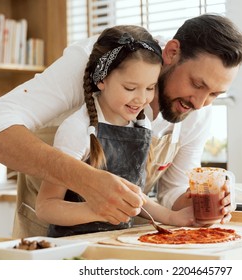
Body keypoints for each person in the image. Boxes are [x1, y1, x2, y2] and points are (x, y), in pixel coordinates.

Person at [0, 13, 242, 237]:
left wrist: (194, 204)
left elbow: (170, 192)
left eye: (214, 94)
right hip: (49, 243)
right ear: (172, 52)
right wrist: (85, 179)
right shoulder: (103, 62)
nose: (200, 103)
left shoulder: (196, 108)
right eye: (197, 84)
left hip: (123, 243)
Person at [35, 26, 195, 237]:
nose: (141, 99)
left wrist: (173, 217)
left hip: (115, 243)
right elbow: (46, 206)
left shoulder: (141, 125)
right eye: (130, 88)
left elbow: (133, 197)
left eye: (150, 88)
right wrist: (96, 208)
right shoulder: (77, 129)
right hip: (74, 247)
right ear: (101, 78)